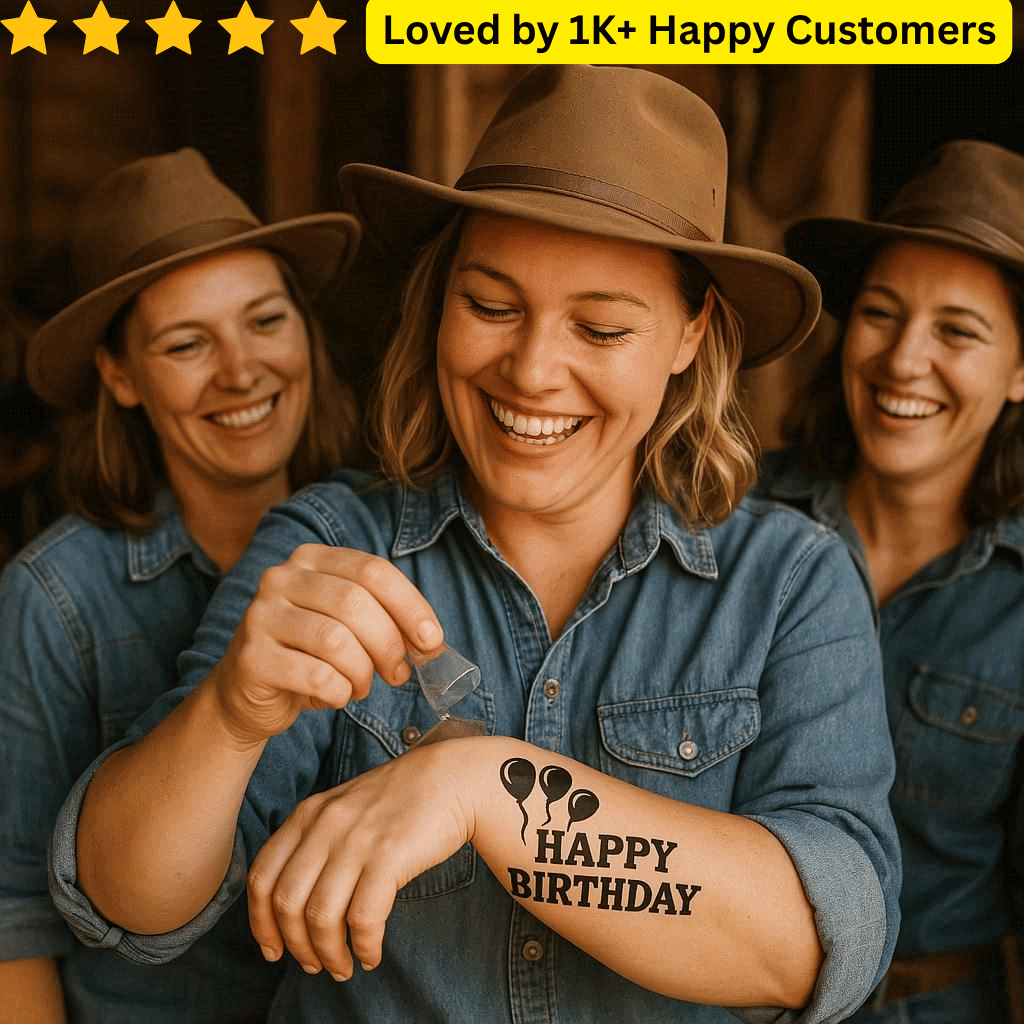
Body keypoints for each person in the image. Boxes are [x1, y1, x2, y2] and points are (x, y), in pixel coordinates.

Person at [51, 66, 900, 1023]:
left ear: (690, 336)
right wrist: (230, 716)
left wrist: (490, 788)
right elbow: (132, 904)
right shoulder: (330, 539)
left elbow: (821, 943)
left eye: (602, 326)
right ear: (439, 300)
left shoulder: (792, 579)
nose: (532, 370)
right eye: (492, 305)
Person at [0, 147, 360, 1024]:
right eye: (187, 343)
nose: (240, 371)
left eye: (266, 321)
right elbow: (13, 924)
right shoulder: (54, 596)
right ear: (120, 376)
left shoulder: (392, 533)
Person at [758, 139, 1024, 1022]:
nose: (904, 360)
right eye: (880, 313)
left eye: (958, 330)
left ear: (1021, 370)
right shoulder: (740, 518)